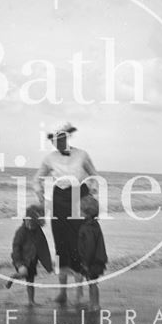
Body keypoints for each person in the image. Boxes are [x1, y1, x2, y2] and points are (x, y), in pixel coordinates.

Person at [33, 122, 100, 304]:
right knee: (61, 244)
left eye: (61, 139)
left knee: (79, 243)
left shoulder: (82, 155)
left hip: (80, 195)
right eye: (55, 141)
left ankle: (79, 292)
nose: (58, 143)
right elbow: (37, 179)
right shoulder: (49, 158)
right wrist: (41, 198)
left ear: (66, 138)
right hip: (59, 199)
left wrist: (92, 195)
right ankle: (62, 292)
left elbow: (94, 175)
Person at [6, 204, 53, 306]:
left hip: (32, 259)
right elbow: (16, 247)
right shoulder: (21, 231)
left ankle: (31, 301)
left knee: (30, 281)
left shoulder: (37, 231)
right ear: (26, 219)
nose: (31, 226)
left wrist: (48, 264)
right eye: (29, 223)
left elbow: (43, 246)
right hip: (21, 259)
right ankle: (14, 277)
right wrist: (18, 262)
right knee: (24, 273)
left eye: (34, 224)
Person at [78, 194, 107, 312]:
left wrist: (85, 262)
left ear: (86, 213)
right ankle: (93, 303)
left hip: (92, 261)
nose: (78, 211)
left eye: (80, 209)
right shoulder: (94, 225)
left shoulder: (88, 228)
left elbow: (89, 246)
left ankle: (95, 304)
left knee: (92, 282)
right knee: (92, 282)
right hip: (97, 259)